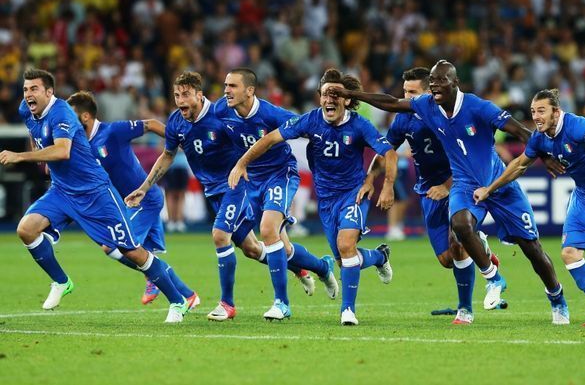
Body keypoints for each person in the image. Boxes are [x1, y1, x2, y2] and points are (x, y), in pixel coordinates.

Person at [327, 60, 570, 324]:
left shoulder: (478, 106)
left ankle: (557, 298)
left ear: (455, 83)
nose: (434, 86)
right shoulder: (426, 107)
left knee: (531, 247)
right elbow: (390, 103)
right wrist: (353, 94)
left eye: (440, 81)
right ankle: (492, 278)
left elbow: (519, 130)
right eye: (432, 82)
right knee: (458, 229)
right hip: (464, 185)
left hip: (498, 182)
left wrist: (544, 154)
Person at [126, 71, 337, 322]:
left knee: (221, 235)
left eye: (185, 95)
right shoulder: (178, 122)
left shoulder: (219, 115)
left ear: (199, 95)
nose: (180, 100)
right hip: (214, 190)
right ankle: (313, 266)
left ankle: (228, 304)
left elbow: (290, 127)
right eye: (176, 95)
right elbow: (168, 155)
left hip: (237, 185)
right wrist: (145, 186)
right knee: (252, 248)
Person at [0, 68, 191, 323]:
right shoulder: (27, 110)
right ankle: (61, 281)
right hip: (61, 190)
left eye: (34, 89)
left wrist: (21, 156)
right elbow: (39, 136)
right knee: (26, 229)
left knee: (131, 250)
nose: (28, 95)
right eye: (25, 89)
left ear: (49, 92)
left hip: (95, 193)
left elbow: (63, 151)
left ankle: (178, 300)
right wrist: (38, 152)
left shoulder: (62, 113)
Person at [229, 68, 396, 325]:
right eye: (325, 94)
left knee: (346, 245)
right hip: (326, 200)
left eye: (336, 94)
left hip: (353, 194)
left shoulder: (360, 125)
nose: (329, 99)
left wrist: (386, 184)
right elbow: (271, 138)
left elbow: (389, 153)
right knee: (344, 259)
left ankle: (347, 310)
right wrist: (242, 163)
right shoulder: (310, 121)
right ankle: (379, 257)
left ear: (347, 99)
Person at [366, 67, 499, 324]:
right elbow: (385, 150)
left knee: (458, 242)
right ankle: (479, 244)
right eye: (405, 92)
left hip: (461, 183)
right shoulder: (403, 119)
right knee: (446, 260)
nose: (407, 97)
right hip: (428, 191)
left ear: (429, 92)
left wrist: (448, 186)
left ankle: (465, 310)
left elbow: (470, 155)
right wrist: (372, 179)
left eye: (413, 92)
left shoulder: (446, 116)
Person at [475, 89, 585, 327]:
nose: (536, 116)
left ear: (556, 112)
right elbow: (519, 165)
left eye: (542, 111)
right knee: (570, 254)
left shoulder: (577, 126)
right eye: (533, 111)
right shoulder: (539, 137)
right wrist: (489, 189)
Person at [215, 68, 338, 321]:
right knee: (284, 248)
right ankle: (321, 267)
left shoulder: (272, 114)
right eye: (226, 85)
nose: (226, 90)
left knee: (268, 231)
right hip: (250, 181)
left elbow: (308, 129)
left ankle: (281, 303)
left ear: (249, 91)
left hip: (280, 175)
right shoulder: (221, 110)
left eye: (233, 86)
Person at [66, 91, 199, 307]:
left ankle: (155, 280)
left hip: (144, 199)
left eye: (71, 116)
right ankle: (187, 294)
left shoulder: (112, 131)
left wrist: (177, 142)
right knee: (140, 254)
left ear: (86, 117)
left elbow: (151, 124)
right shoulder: (81, 146)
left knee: (116, 248)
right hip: (127, 204)